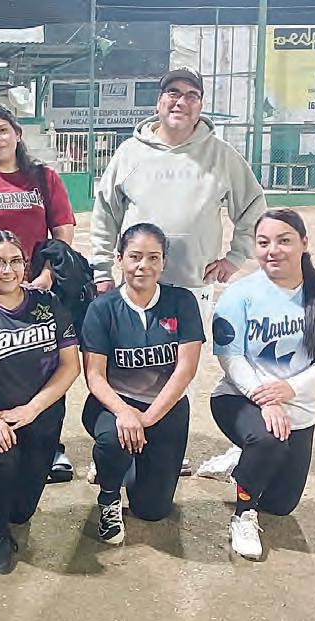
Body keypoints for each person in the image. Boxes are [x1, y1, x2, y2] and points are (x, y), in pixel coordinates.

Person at [90, 67, 265, 482]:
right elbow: (104, 213)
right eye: (172, 92)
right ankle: (115, 448)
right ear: (159, 101)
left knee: (177, 370)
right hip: (135, 284)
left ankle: (166, 448)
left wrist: (234, 257)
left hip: (190, 285)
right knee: (124, 366)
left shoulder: (220, 155)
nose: (180, 101)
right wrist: (101, 269)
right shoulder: (130, 153)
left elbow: (252, 206)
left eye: (191, 95)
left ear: (200, 105)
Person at [210, 208, 315, 560]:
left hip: (298, 408)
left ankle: (244, 460)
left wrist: (291, 389)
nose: (272, 250)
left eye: (284, 241)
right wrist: (266, 399)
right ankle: (243, 514)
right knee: (267, 439)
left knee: (280, 505)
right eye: (263, 243)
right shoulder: (239, 294)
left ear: (304, 243)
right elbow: (230, 357)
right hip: (240, 398)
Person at [0, 231, 80, 572]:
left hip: (40, 415)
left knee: (21, 511)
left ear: (25, 265)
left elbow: (70, 366)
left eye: (15, 261)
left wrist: (33, 408)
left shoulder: (48, 303)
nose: (7, 270)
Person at [80, 223, 204, 544]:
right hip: (114, 404)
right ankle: (109, 495)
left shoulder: (182, 302)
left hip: (164, 408)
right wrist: (125, 413)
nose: (143, 265)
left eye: (153, 257)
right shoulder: (102, 308)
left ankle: (129, 464)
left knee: (152, 510)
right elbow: (94, 376)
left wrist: (147, 419)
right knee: (113, 442)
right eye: (135, 256)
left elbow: (186, 369)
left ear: (164, 262)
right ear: (120, 259)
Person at [0, 104, 75, 296]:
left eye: (3, 130)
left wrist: (47, 275)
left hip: (37, 285)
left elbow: (63, 234)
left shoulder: (45, 177)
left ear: (17, 134)